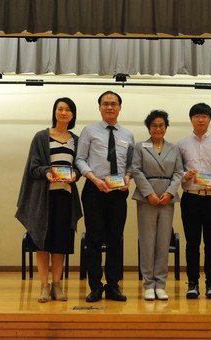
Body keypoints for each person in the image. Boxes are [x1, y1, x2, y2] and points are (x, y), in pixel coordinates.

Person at [16, 97, 83, 303]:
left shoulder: (76, 140)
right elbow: (33, 167)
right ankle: (44, 286)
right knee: (42, 242)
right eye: (60, 109)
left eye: (68, 110)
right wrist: (47, 172)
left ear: (72, 115)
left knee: (61, 243)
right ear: (55, 112)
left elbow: (79, 166)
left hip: (65, 197)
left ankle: (57, 286)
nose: (63, 112)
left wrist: (75, 175)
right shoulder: (41, 137)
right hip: (43, 199)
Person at [75, 90, 135, 302]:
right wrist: (94, 179)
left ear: (120, 107)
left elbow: (130, 164)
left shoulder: (127, 135)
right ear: (99, 107)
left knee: (115, 239)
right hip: (94, 190)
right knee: (93, 238)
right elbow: (80, 159)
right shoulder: (89, 131)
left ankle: (113, 286)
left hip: (118, 192)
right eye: (106, 103)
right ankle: (95, 286)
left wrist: (128, 177)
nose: (110, 107)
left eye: (114, 103)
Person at [177, 103, 211, 299]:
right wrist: (185, 175)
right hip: (190, 199)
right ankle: (192, 284)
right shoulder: (182, 144)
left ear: (209, 119)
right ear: (191, 119)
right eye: (197, 116)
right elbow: (177, 171)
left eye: (204, 116)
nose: (201, 120)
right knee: (192, 243)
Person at [132, 110, 183, 301]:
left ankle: (160, 284)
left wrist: (170, 192)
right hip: (147, 198)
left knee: (163, 241)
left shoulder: (174, 148)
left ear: (166, 127)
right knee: (147, 241)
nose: (158, 128)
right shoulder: (140, 147)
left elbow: (179, 173)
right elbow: (136, 170)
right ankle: (148, 284)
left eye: (161, 125)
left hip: (167, 199)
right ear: (149, 127)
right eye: (154, 125)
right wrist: (149, 193)